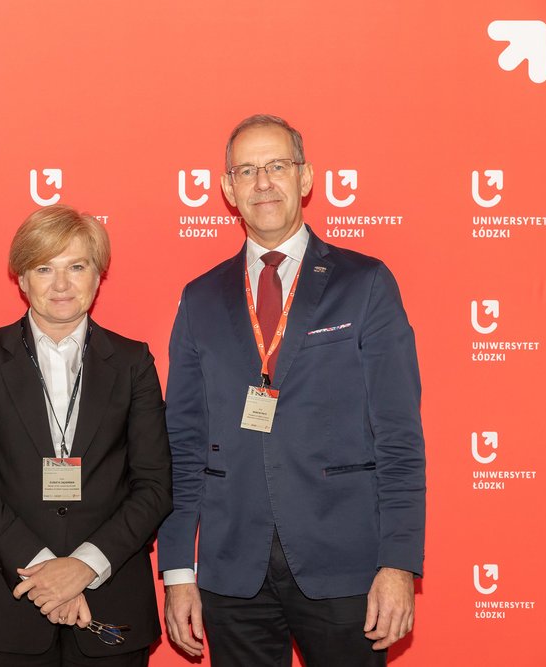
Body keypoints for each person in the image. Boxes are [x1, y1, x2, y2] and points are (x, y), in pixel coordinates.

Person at [157, 114, 425, 666]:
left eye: (277, 166)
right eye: (247, 171)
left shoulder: (365, 282)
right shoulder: (200, 299)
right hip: (233, 569)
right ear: (228, 189)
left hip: (346, 565)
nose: (263, 183)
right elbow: (182, 445)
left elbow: (398, 437)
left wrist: (398, 564)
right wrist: (179, 570)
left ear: (305, 178)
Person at [0, 204, 172, 666]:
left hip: (112, 603)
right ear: (22, 279)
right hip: (11, 603)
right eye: (44, 267)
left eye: (77, 266)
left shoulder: (133, 362)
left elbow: (154, 485)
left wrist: (84, 566)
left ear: (98, 276)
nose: (61, 284)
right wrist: (46, 570)